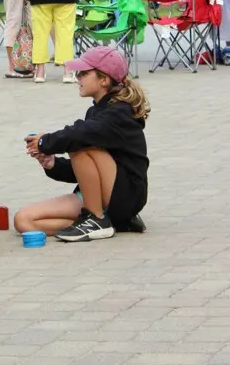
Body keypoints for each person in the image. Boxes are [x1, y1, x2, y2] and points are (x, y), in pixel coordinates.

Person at [14, 46, 149, 241]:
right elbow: (87, 171)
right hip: (100, 194)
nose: (78, 77)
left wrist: (45, 141)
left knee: (78, 141)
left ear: (104, 80)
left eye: (84, 73)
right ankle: (109, 222)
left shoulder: (119, 113)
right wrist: (53, 163)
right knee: (23, 221)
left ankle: (97, 220)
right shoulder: (95, 113)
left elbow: (77, 136)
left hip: (125, 195)